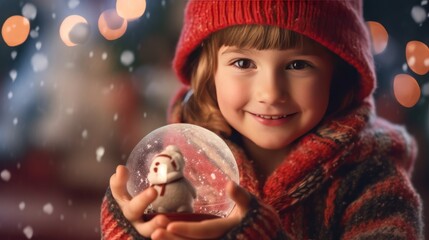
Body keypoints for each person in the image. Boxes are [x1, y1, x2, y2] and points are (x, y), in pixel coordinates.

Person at [100, 0, 423, 239]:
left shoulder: (373, 180)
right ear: (208, 72)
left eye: (298, 65)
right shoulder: (181, 161)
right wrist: (132, 228)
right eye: (243, 63)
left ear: (338, 76)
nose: (270, 93)